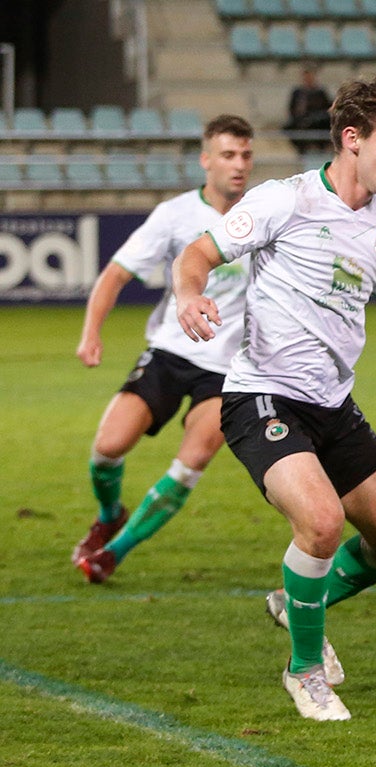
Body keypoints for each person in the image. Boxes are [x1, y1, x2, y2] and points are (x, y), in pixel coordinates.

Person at [172, 76, 376, 721]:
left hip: (333, 405)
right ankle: (305, 671)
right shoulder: (286, 201)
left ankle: (294, 600)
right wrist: (191, 293)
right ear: (352, 141)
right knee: (323, 524)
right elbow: (198, 253)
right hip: (262, 398)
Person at [70, 115, 255, 584]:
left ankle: (113, 551)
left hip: (229, 368)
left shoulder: (264, 215)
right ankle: (109, 513)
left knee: (193, 458)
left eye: (246, 155)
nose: (238, 165)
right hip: (171, 352)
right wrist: (91, 332)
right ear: (206, 160)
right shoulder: (175, 215)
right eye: (228, 155)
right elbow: (115, 274)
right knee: (107, 449)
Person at [285, 67, 331, 154]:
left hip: (317, 122)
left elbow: (326, 108)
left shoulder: (320, 92)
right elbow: (292, 109)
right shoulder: (298, 93)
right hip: (301, 121)